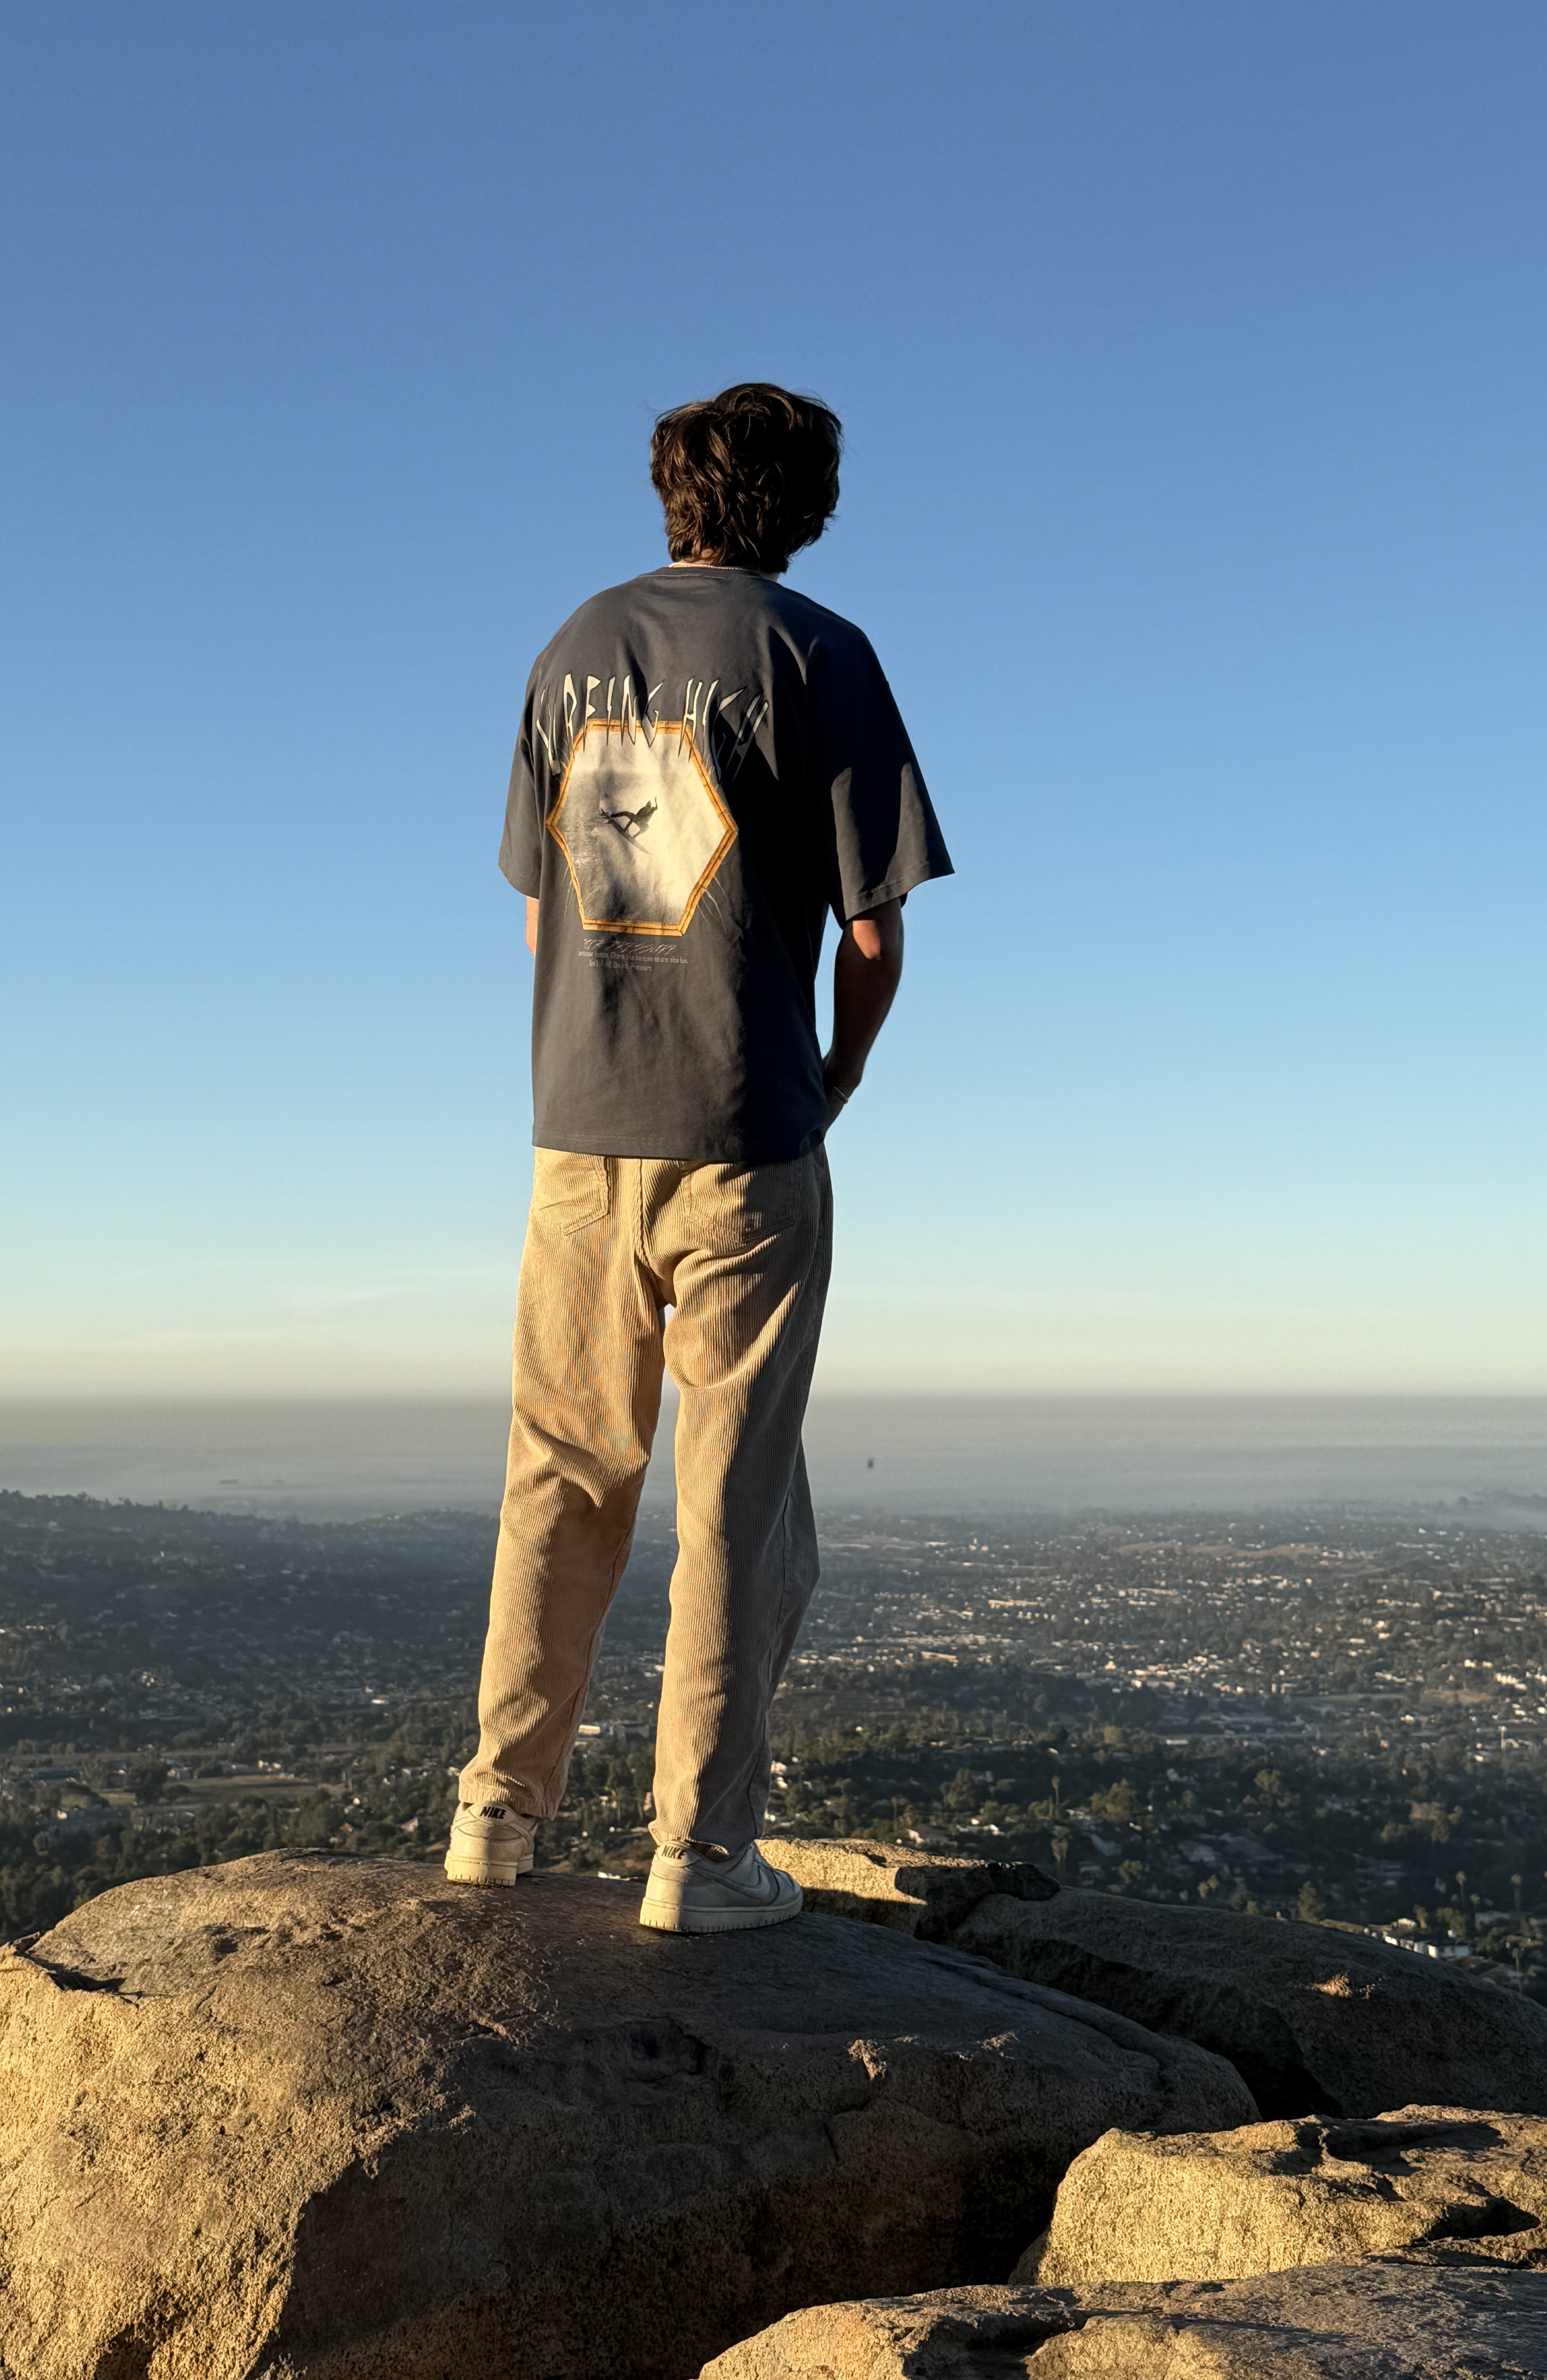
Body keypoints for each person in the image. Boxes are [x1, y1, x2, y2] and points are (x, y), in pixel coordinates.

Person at [448, 382, 951, 1932]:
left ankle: (494, 1813)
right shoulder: (818, 654)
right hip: (744, 1131)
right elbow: (872, 928)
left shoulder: (565, 649)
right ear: (804, 508)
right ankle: (701, 1852)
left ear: (668, 493)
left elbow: (541, 905)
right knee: (732, 1496)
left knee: (561, 1471)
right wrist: (837, 1068)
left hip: (575, 1132)